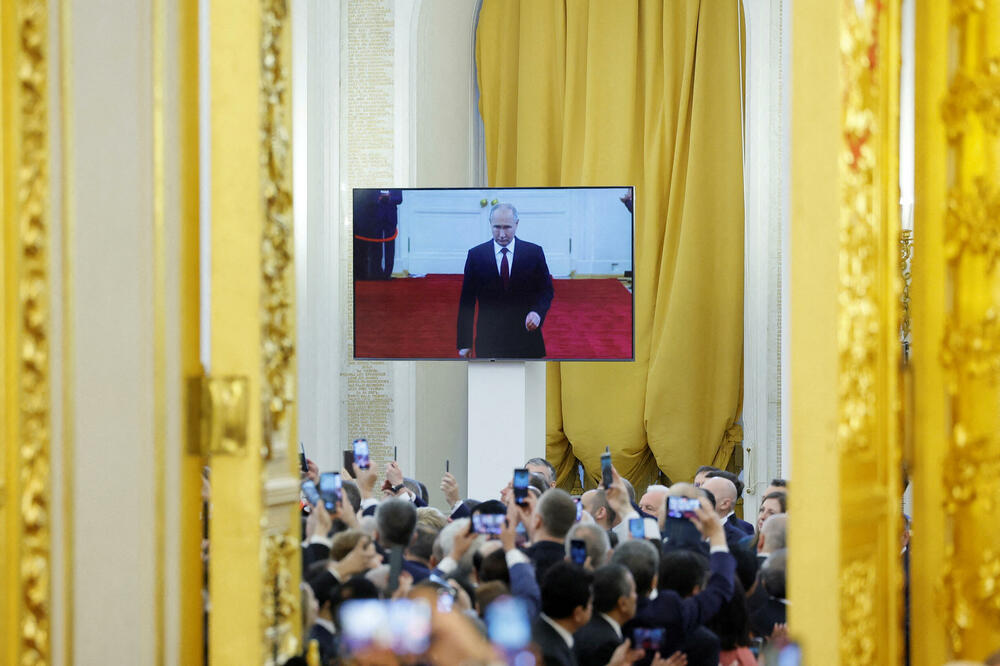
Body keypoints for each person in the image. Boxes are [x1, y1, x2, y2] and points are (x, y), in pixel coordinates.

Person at [457, 203, 554, 359]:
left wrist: (537, 312)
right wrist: (465, 342)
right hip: (489, 341)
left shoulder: (534, 253)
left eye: (507, 227)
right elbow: (467, 301)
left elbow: (546, 290)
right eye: (497, 227)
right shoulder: (476, 255)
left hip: (526, 339)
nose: (502, 234)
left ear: (517, 224)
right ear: (490, 224)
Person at [353, 188, 402, 280]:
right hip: (375, 217)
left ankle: (388, 273)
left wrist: (389, 198)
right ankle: (377, 273)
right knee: (376, 246)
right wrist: (379, 198)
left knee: (390, 247)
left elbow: (399, 199)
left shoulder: (397, 184)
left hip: (390, 218)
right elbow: (367, 198)